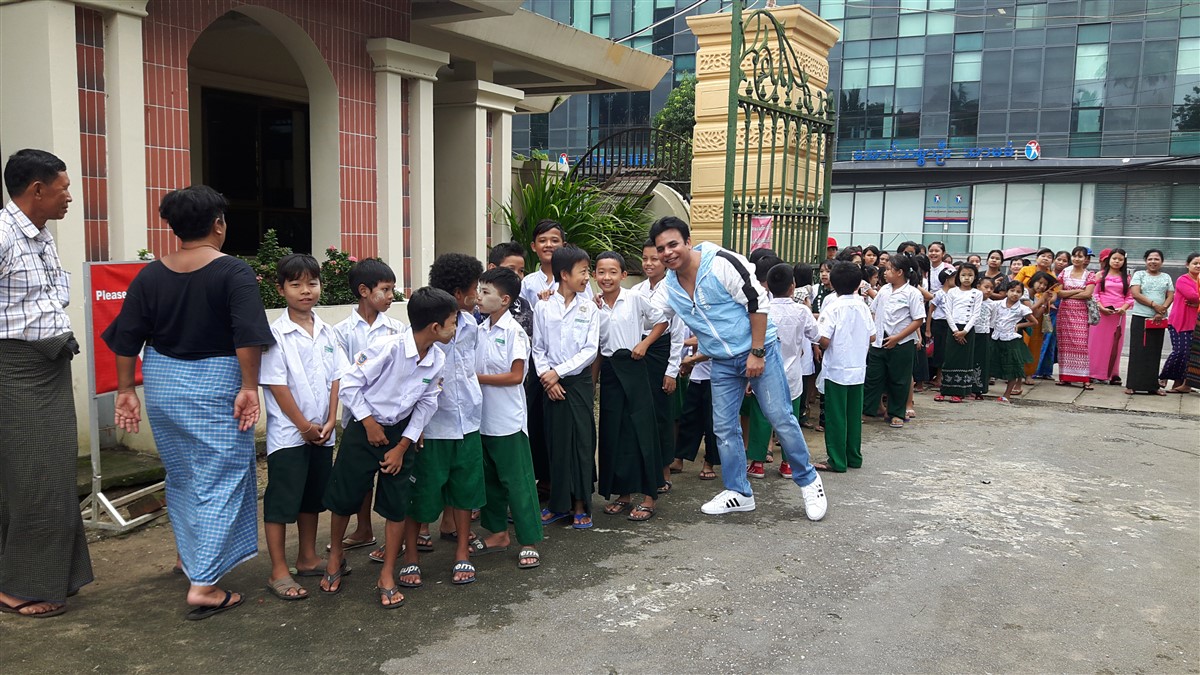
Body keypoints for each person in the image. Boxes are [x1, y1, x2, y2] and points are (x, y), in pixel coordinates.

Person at [105, 185, 274, 620]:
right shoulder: (233, 272)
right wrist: (249, 387)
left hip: (163, 385)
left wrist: (126, 390)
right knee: (222, 477)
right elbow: (248, 337)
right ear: (218, 224)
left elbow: (127, 337)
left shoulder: (150, 275)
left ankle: (189, 556)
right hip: (217, 385)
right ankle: (204, 585)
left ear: (175, 227)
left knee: (182, 474)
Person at [647, 217, 827, 521]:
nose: (667, 252)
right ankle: (739, 492)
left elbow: (758, 303)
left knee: (780, 416)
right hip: (722, 361)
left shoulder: (721, 263)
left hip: (760, 350)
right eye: (661, 248)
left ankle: (809, 481)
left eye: (673, 244)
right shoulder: (670, 287)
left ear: (688, 242)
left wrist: (756, 352)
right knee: (723, 427)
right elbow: (651, 313)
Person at [0, 148, 93, 618]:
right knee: (34, 476)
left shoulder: (40, 236)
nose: (69, 197)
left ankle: (55, 575)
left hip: (49, 365)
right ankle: (18, 586)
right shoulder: (1, 235)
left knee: (54, 472)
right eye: (63, 188)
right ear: (37, 189)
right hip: (13, 370)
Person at [322, 287, 457, 607]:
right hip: (364, 427)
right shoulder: (387, 348)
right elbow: (351, 385)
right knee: (346, 496)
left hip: (400, 435)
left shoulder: (437, 359)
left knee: (397, 504)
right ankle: (335, 556)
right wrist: (369, 424)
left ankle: (387, 574)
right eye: (453, 322)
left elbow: (426, 405)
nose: (455, 327)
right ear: (435, 327)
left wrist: (402, 446)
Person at [260, 254, 345, 601]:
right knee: (282, 500)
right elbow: (277, 385)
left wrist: (328, 421)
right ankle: (279, 570)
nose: (305, 291)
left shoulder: (327, 331)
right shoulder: (275, 334)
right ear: (281, 289)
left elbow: (338, 377)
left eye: (312, 283)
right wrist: (304, 425)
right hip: (289, 434)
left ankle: (308, 557)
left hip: (323, 433)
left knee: (312, 498)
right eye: (296, 284)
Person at [402, 253, 486, 586]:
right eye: (474, 288)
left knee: (465, 491)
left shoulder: (471, 325)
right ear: (456, 292)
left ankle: (462, 553)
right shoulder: (423, 328)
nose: (478, 295)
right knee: (420, 493)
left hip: (468, 421)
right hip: (433, 425)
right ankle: (410, 557)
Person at [474, 267, 543, 569]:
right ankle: (498, 533)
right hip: (482, 419)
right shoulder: (479, 331)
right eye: (479, 290)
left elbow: (516, 376)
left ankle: (529, 540)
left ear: (504, 300)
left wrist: (476, 378)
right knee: (489, 480)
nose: (479, 296)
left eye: (485, 292)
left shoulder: (514, 333)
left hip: (508, 421)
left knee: (518, 481)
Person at [333, 259, 401, 558]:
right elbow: (345, 378)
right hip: (358, 419)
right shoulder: (343, 332)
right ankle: (363, 528)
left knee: (391, 476)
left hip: (391, 417)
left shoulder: (397, 329)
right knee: (357, 479)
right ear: (364, 291)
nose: (391, 296)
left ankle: (391, 538)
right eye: (385, 290)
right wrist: (366, 419)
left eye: (393, 289)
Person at [595, 252, 669, 522]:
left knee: (642, 430)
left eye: (613, 272)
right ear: (595, 275)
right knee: (615, 432)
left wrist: (644, 344)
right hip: (611, 371)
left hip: (635, 365)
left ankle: (649, 497)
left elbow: (663, 321)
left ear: (623, 275)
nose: (607, 277)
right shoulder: (594, 305)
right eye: (601, 272)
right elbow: (597, 349)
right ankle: (622, 494)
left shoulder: (635, 298)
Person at [533, 245, 600, 529]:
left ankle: (581, 504)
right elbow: (537, 347)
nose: (587, 277)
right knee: (557, 444)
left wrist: (557, 373)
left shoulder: (589, 307)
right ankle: (558, 504)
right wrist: (547, 377)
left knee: (582, 443)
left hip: (578, 382)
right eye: (583, 271)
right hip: (550, 384)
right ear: (564, 274)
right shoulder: (543, 306)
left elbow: (590, 350)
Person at [632, 240, 683, 495]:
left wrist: (671, 370)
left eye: (654, 259)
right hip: (640, 351)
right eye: (645, 258)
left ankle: (664, 469)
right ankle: (645, 466)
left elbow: (678, 334)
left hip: (662, 351)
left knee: (662, 413)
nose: (649, 264)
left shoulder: (673, 289)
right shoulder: (637, 290)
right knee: (643, 411)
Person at [813, 261, 874, 472]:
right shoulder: (862, 306)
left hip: (837, 367)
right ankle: (854, 456)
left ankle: (837, 460)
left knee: (836, 415)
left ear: (834, 284)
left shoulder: (833, 307)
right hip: (858, 367)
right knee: (853, 415)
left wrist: (814, 335)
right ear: (858, 284)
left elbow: (825, 340)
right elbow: (872, 335)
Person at [863, 254, 926, 428]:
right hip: (880, 341)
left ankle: (896, 413)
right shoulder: (883, 290)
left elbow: (918, 319)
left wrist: (898, 337)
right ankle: (869, 409)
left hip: (902, 342)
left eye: (889, 269)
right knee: (873, 377)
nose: (885, 272)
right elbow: (874, 311)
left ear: (900, 272)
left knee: (899, 379)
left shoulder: (912, 293)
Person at [671, 329, 720, 480]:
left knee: (711, 422)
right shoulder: (697, 313)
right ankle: (679, 458)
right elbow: (696, 340)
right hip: (699, 374)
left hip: (716, 377)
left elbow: (709, 340)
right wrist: (691, 363)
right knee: (689, 417)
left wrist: (682, 344)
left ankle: (709, 462)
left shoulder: (720, 316)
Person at [1125, 249, 1174, 395]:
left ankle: (1153, 385)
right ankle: (1132, 384)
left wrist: (1162, 310)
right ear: (1146, 261)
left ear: (1162, 261)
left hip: (1159, 319)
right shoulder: (1139, 275)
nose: (1153, 262)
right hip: (1141, 317)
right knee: (1138, 351)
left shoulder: (1166, 277)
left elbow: (1170, 295)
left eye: (1156, 259)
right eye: (1150, 259)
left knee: (1154, 352)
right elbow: (1135, 293)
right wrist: (1154, 305)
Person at [936, 263, 983, 402]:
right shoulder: (952, 292)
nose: (966, 278)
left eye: (970, 275)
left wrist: (965, 331)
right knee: (949, 359)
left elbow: (976, 314)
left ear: (975, 277)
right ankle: (944, 390)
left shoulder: (977, 293)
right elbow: (947, 311)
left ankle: (960, 392)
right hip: (953, 328)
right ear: (958, 276)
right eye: (963, 275)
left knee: (964, 360)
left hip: (967, 329)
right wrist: (955, 330)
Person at [1089, 249, 1133, 385]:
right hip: (1101, 312)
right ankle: (1094, 373)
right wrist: (1101, 307)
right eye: (1114, 258)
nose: (1117, 261)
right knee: (1097, 344)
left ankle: (1112, 373)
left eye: (1120, 259)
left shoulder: (1127, 277)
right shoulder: (1100, 275)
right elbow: (1094, 294)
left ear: (1124, 261)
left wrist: (1123, 309)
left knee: (1115, 344)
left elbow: (1130, 297)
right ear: (1109, 259)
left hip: (1118, 314)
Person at [1054, 247, 1096, 389]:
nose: (1077, 259)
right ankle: (1064, 377)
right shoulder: (1064, 272)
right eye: (1074, 256)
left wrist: (1069, 293)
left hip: (1081, 313)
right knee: (1064, 344)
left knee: (1081, 345)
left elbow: (1088, 294)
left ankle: (1084, 378)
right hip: (1064, 312)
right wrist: (1078, 290)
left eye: (1080, 256)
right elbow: (1059, 293)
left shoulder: (1089, 275)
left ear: (1086, 259)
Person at [992, 280, 1036, 404]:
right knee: (992, 363)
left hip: (1011, 339)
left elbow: (1034, 322)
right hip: (996, 336)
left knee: (1012, 367)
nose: (1015, 294)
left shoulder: (1022, 308)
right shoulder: (997, 304)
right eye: (1012, 291)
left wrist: (1019, 324)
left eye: (1018, 292)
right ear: (1006, 292)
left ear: (1022, 295)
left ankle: (1007, 394)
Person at [1161, 253, 1200, 393]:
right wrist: (1196, 301)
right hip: (1180, 323)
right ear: (1187, 265)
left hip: (1196, 324)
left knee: (1191, 355)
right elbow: (1192, 296)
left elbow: (1196, 299)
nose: (1198, 266)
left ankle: (1181, 384)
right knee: (1180, 351)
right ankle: (1164, 375)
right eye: (1195, 263)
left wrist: (1197, 303)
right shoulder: (1183, 280)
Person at [487, 241, 533, 336]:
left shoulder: (524, 306)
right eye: (511, 269)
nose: (517, 275)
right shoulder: (478, 306)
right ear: (492, 268)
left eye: (521, 271)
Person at [970, 276, 997, 399]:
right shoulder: (971, 300)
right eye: (986, 287)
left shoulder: (992, 304)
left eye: (992, 288)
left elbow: (992, 321)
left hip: (984, 334)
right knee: (970, 360)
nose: (989, 290)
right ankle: (968, 388)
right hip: (970, 332)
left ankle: (979, 389)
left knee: (981, 361)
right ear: (978, 287)